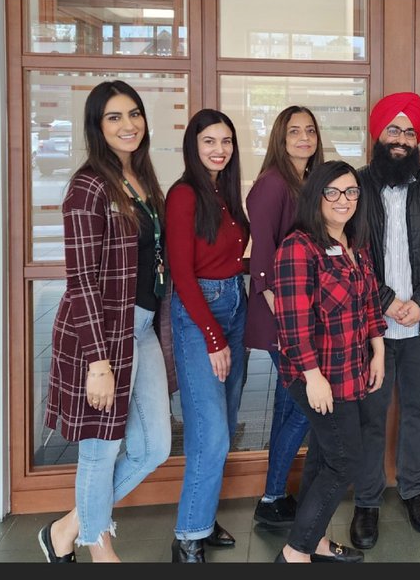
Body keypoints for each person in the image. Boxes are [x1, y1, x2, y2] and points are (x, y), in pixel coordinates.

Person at [39, 80, 171, 563]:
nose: (128, 124)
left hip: (142, 331)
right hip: (101, 336)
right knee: (102, 449)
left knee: (154, 447)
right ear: (97, 126)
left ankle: (68, 527)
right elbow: (82, 281)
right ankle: (100, 550)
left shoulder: (140, 178)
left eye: (133, 113)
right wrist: (97, 361)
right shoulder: (88, 186)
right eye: (114, 117)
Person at [350, 91, 420, 548]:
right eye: (392, 129)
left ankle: (414, 490)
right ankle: (367, 500)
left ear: (418, 139)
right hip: (370, 325)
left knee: (417, 408)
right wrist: (389, 300)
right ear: (377, 133)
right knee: (370, 415)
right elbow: (348, 252)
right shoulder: (352, 184)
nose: (399, 138)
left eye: (408, 131)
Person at [273, 159, 387, 563]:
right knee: (345, 460)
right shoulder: (298, 247)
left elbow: (371, 302)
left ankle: (313, 540)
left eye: (352, 192)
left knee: (325, 454)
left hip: (352, 369)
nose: (344, 200)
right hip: (316, 374)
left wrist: (379, 348)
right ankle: (295, 552)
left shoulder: (354, 243)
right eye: (333, 192)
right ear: (316, 196)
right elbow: (291, 323)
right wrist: (312, 376)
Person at [164, 108, 250, 562]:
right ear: (193, 148)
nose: (219, 150)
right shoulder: (184, 196)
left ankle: (201, 515)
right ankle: (186, 537)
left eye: (226, 141)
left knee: (222, 420)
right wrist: (213, 337)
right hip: (202, 313)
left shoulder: (225, 192)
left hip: (235, 302)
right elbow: (182, 273)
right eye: (209, 142)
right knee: (212, 430)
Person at [245, 105, 326, 529]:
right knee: (305, 408)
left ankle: (273, 496)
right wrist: (290, 325)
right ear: (280, 137)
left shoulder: (310, 182)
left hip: (305, 313)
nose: (303, 138)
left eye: (309, 131)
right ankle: (273, 495)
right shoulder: (271, 185)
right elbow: (262, 260)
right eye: (294, 131)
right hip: (283, 317)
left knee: (287, 407)